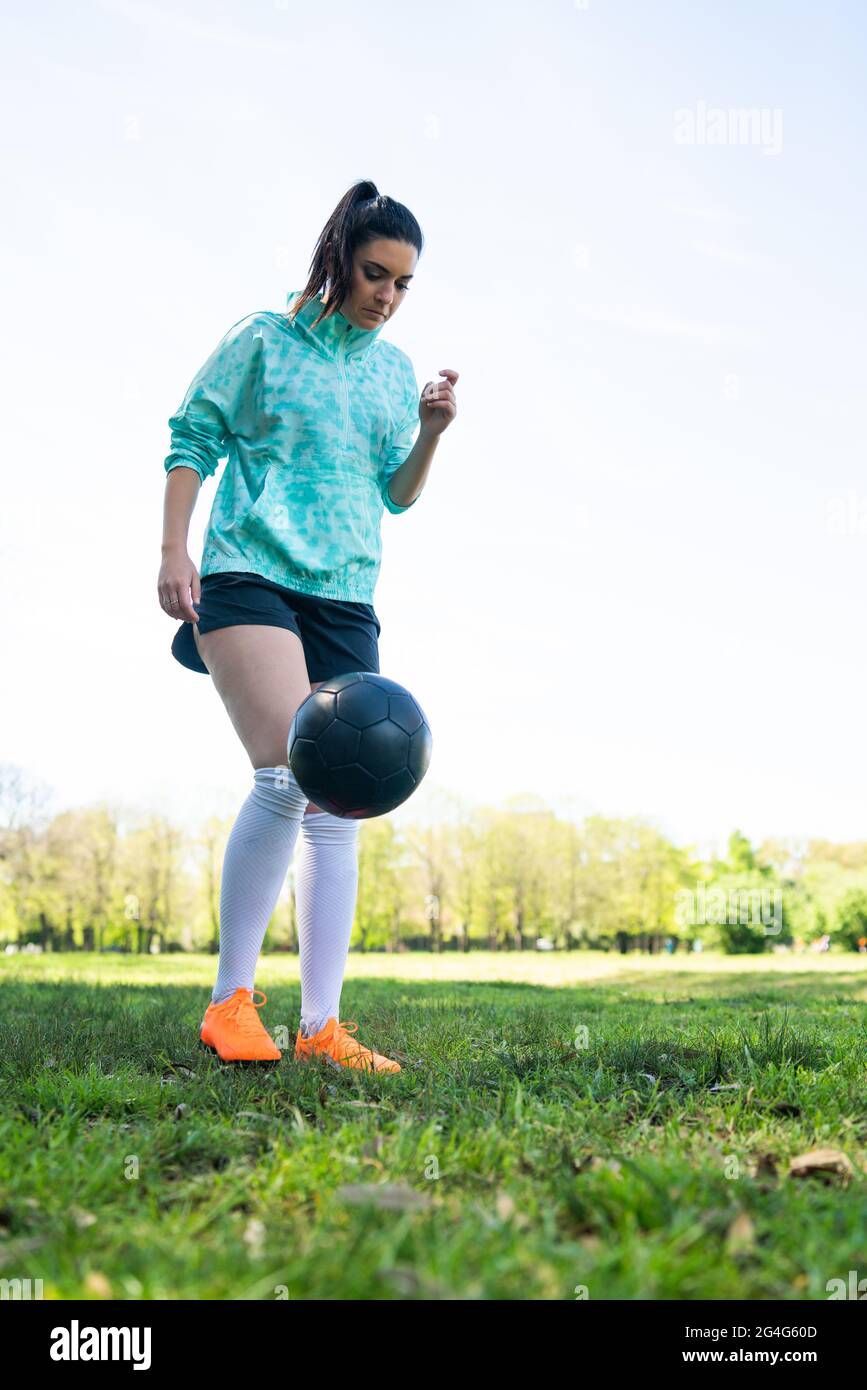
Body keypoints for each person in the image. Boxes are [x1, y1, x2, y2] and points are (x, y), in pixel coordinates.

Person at [157, 179, 458, 1070]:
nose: (386, 297)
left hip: (345, 594)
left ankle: (321, 1026)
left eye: (403, 285)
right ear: (337, 258)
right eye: (374, 274)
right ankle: (229, 1004)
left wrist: (431, 433)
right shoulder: (261, 341)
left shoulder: (392, 374)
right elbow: (191, 439)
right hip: (247, 573)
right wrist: (175, 551)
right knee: (287, 775)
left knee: (339, 804)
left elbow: (395, 497)